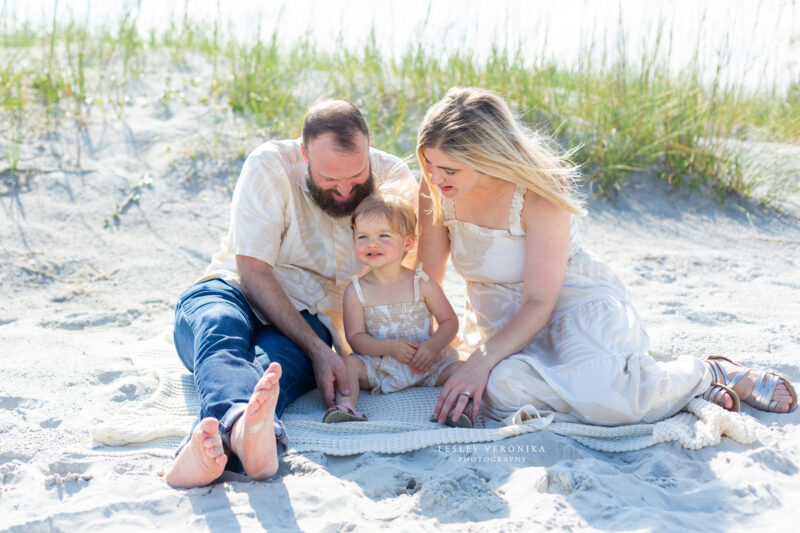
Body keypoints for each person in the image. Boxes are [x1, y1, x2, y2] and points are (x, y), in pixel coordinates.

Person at [415, 87, 797, 428]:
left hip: (571, 305)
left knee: (598, 390)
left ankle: (707, 374)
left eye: (449, 169)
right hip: (499, 322)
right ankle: (665, 394)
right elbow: (427, 276)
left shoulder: (537, 193)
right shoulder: (435, 187)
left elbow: (539, 302)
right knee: (501, 391)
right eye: (428, 164)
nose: (435, 178)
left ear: (488, 158)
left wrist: (480, 360)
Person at [163, 100, 418, 488]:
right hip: (232, 289)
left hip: (309, 317)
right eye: (331, 180)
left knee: (272, 371)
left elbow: (403, 270)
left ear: (369, 148)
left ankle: (228, 440)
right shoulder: (270, 164)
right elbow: (253, 271)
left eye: (357, 174)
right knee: (220, 330)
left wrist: (364, 350)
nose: (347, 190)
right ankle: (239, 429)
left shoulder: (394, 178)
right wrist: (319, 351)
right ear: (304, 156)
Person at [322, 188, 471, 427]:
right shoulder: (356, 290)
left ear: (408, 242)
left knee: (463, 368)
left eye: (384, 235)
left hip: (425, 363)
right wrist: (389, 347)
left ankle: (459, 409)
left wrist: (432, 348)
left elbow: (450, 322)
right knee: (349, 364)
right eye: (363, 237)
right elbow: (355, 338)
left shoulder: (421, 283)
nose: (373, 243)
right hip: (380, 365)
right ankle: (347, 405)